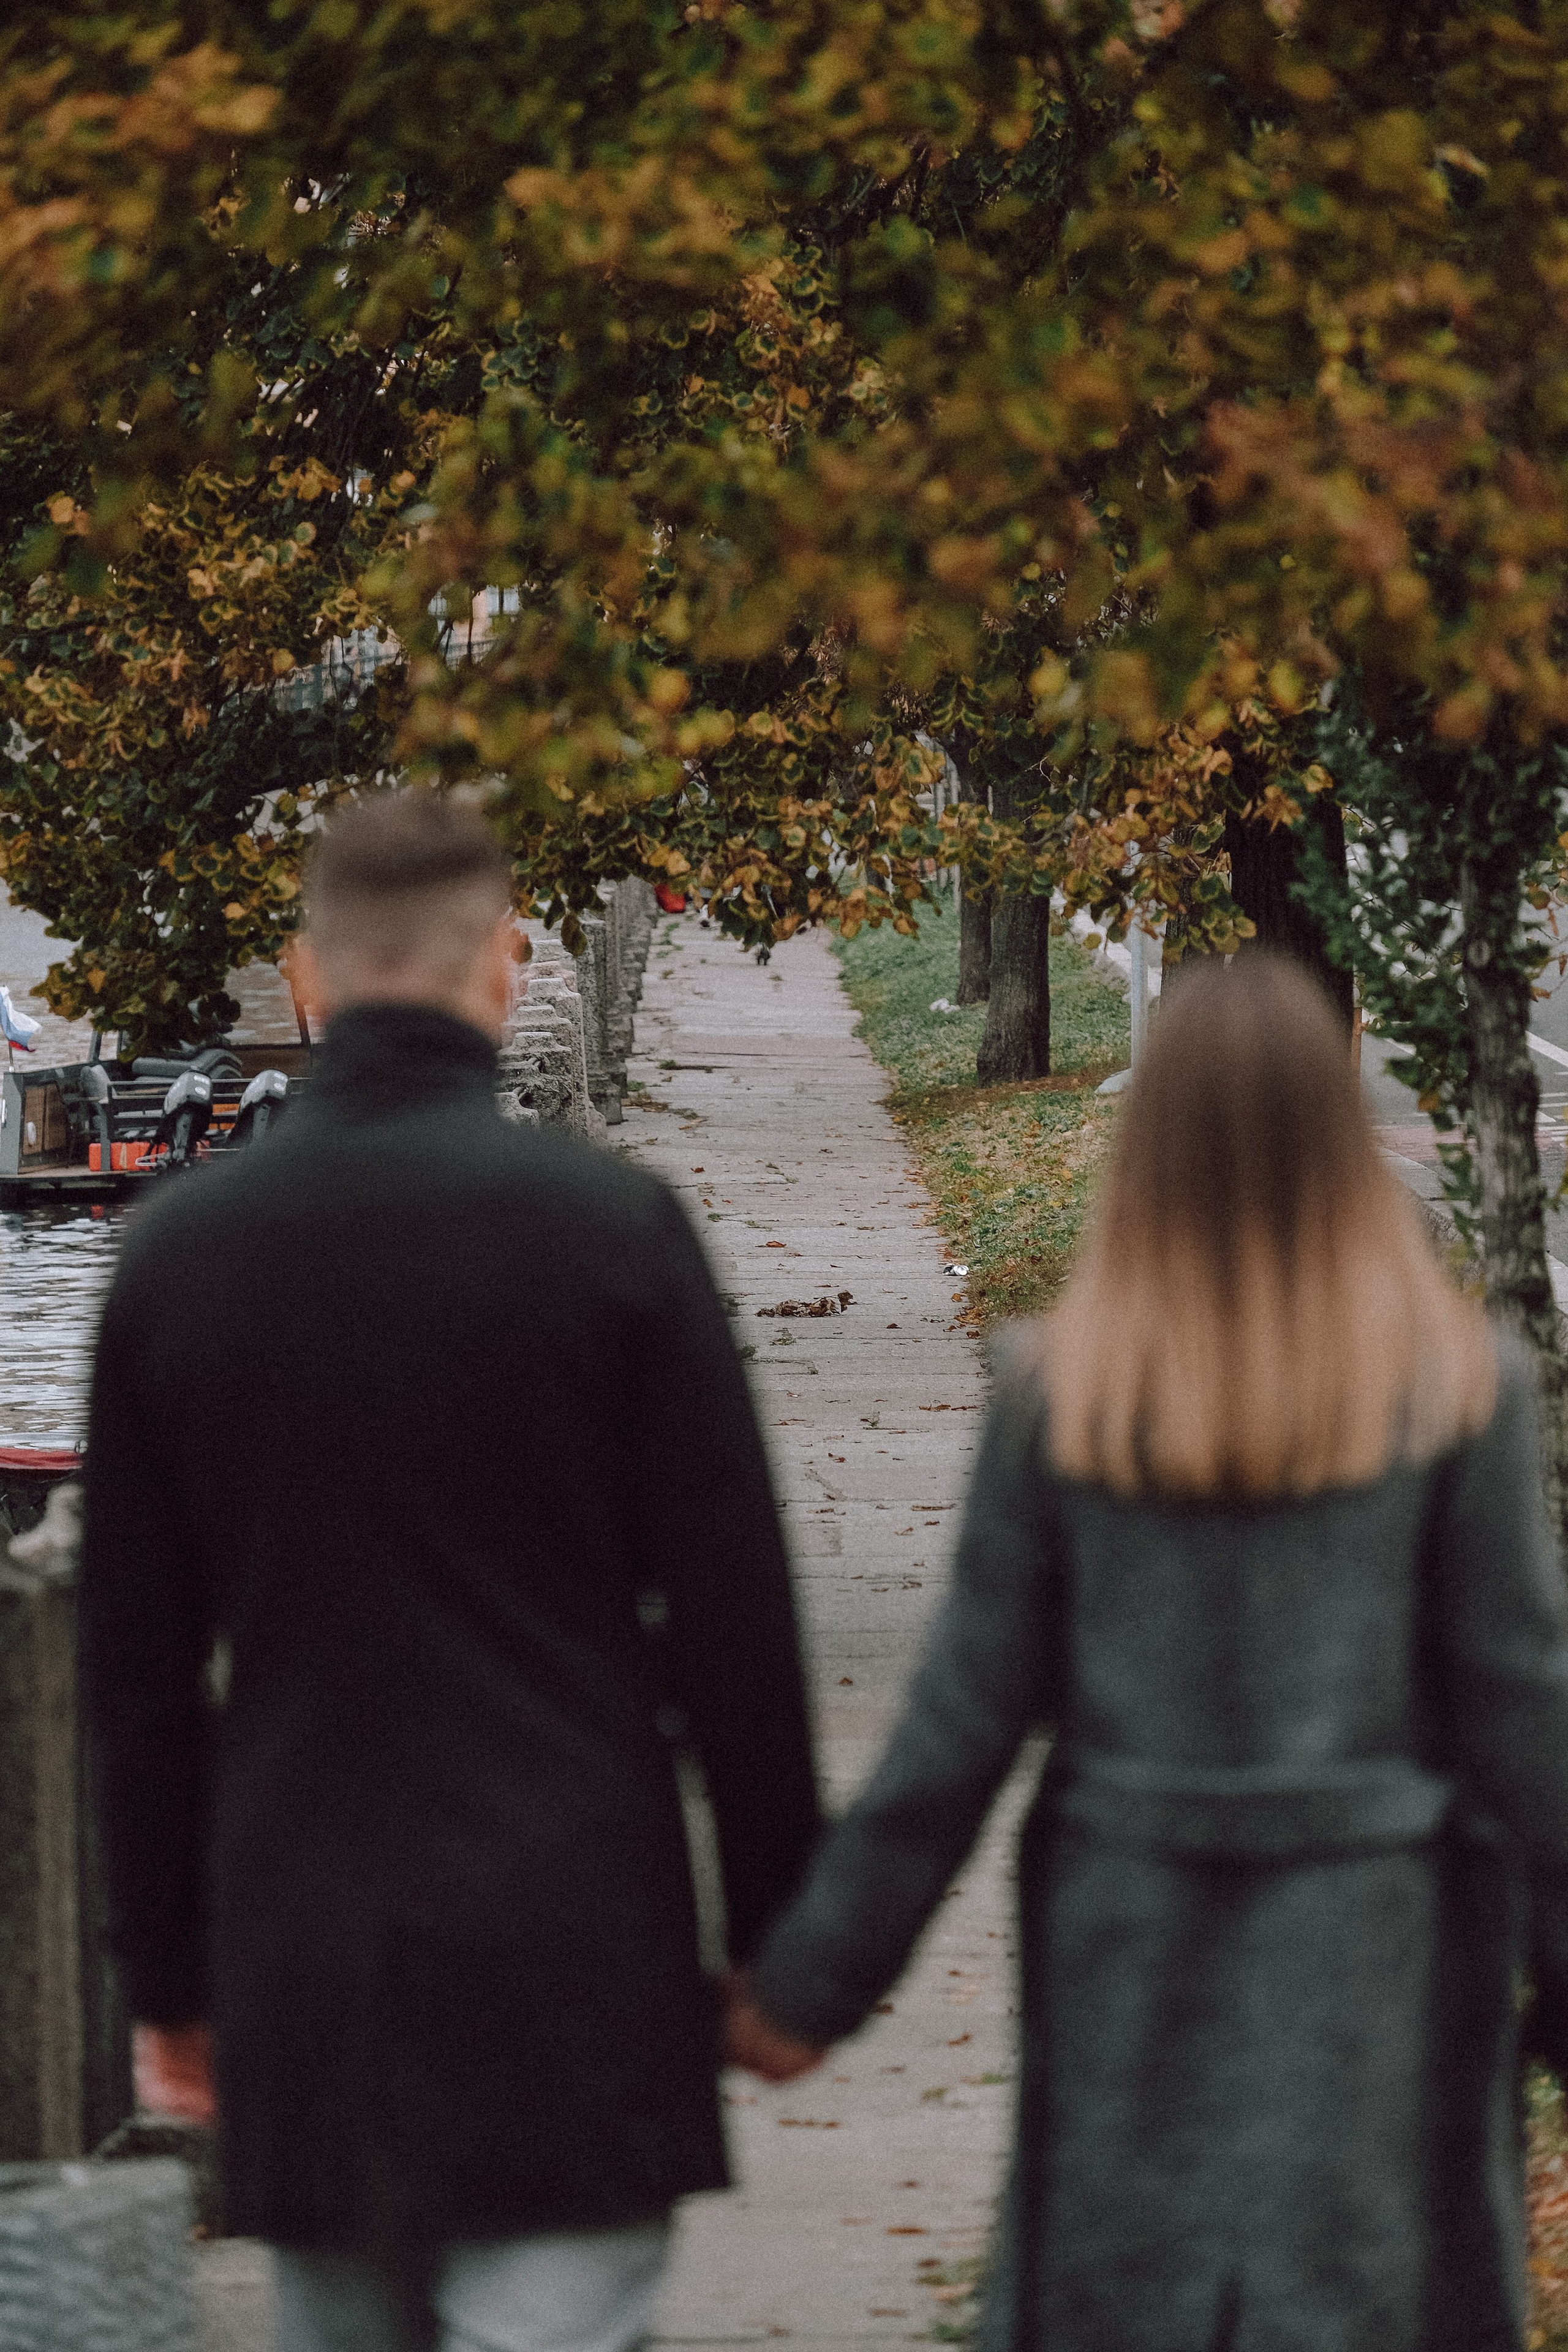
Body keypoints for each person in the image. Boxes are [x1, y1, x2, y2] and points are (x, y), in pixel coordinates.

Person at [726, 952, 1568, 2352]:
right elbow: (1525, 1728)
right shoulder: (1460, 1394)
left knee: (1128, 2294)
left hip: (1129, 1951)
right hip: (1379, 1964)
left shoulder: (1061, 1397)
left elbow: (953, 1735)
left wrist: (807, 1986)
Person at [79, 791, 820, 2352]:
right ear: (503, 963)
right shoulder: (612, 1232)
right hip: (575, 1927)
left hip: (305, 1939)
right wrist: (778, 1931)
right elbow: (736, 1623)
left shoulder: (183, 1257)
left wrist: (167, 1978)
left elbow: (136, 1672)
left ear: (306, 978)